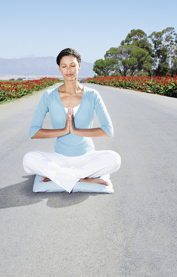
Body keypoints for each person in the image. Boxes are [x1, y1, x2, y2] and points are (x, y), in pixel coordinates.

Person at [23, 48, 121, 193]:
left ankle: (60, 176)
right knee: (28, 159)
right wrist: (63, 131)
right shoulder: (49, 96)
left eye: (73, 65)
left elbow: (108, 130)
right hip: (60, 158)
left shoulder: (93, 95)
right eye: (64, 66)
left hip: (88, 157)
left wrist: (75, 130)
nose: (69, 70)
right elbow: (34, 131)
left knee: (115, 159)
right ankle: (82, 177)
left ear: (79, 66)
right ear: (59, 68)